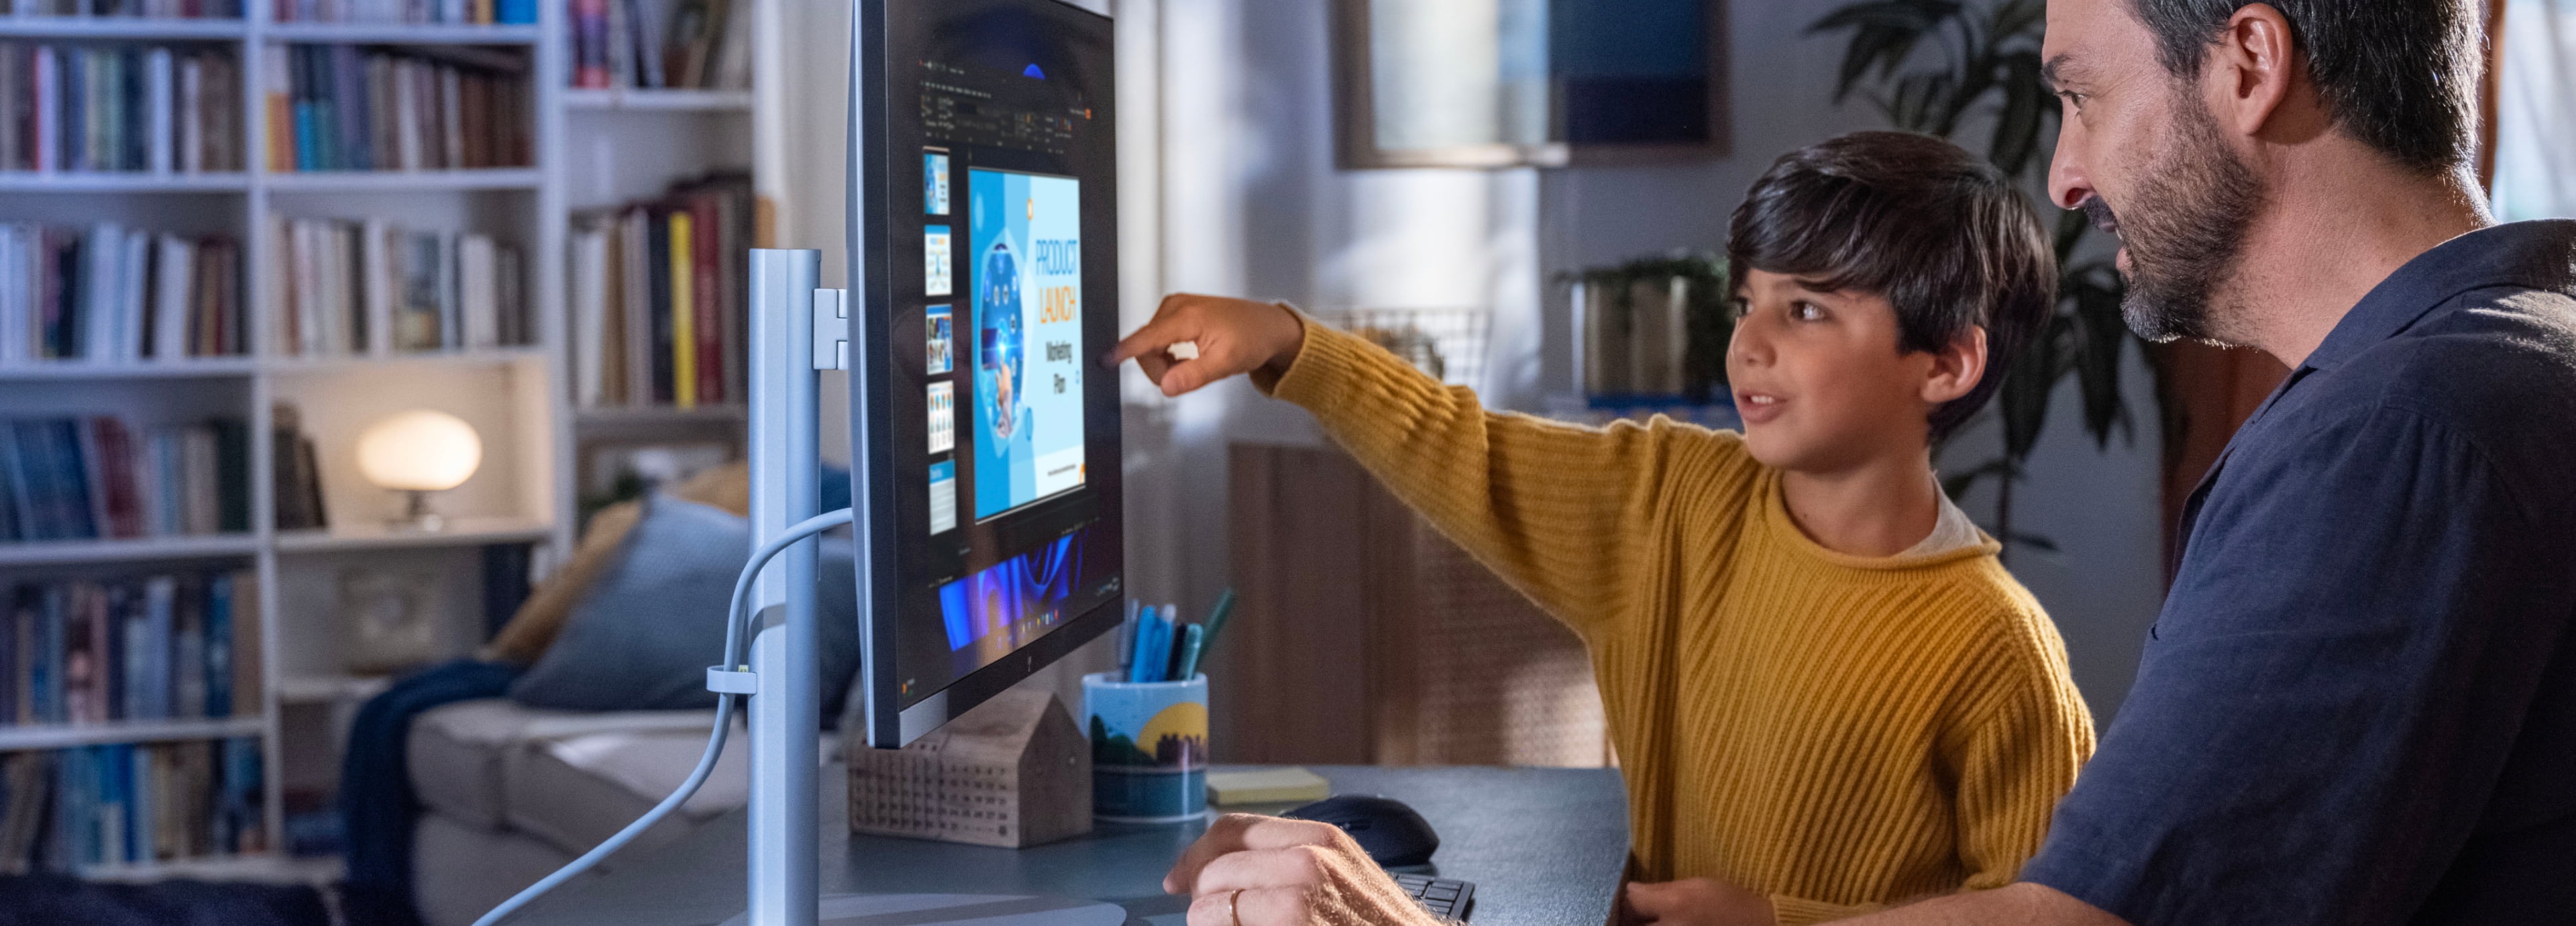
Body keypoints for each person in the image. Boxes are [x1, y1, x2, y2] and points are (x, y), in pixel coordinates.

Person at [1162, 0, 2576, 923]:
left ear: (2250, 65)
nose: (2065, 174)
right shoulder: (2504, 362)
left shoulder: (2404, 435)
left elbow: (2076, 917)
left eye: (2083, 97)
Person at [1117, 131, 2095, 925]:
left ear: (1946, 364)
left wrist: (1779, 921)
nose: (1747, 344)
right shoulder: (1671, 497)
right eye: (1747, 302)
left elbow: (2051, 913)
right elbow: (1467, 450)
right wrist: (1289, 343)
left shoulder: (1996, 648)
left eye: (1804, 311)